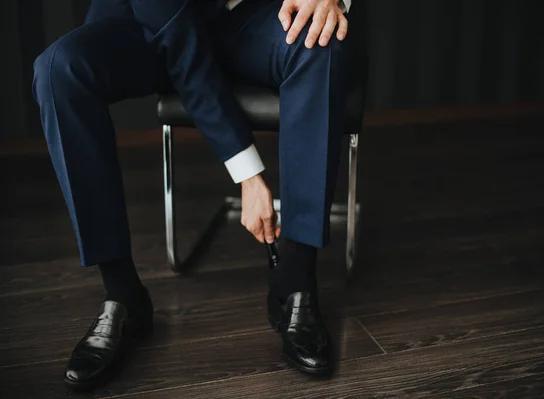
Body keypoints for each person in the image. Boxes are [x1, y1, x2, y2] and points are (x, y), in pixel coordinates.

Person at [32, 0, 351, 390]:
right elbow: (181, 40)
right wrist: (249, 175)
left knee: (320, 43)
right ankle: (123, 295)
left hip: (252, 15)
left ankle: (295, 283)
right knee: (58, 68)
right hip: (150, 25)